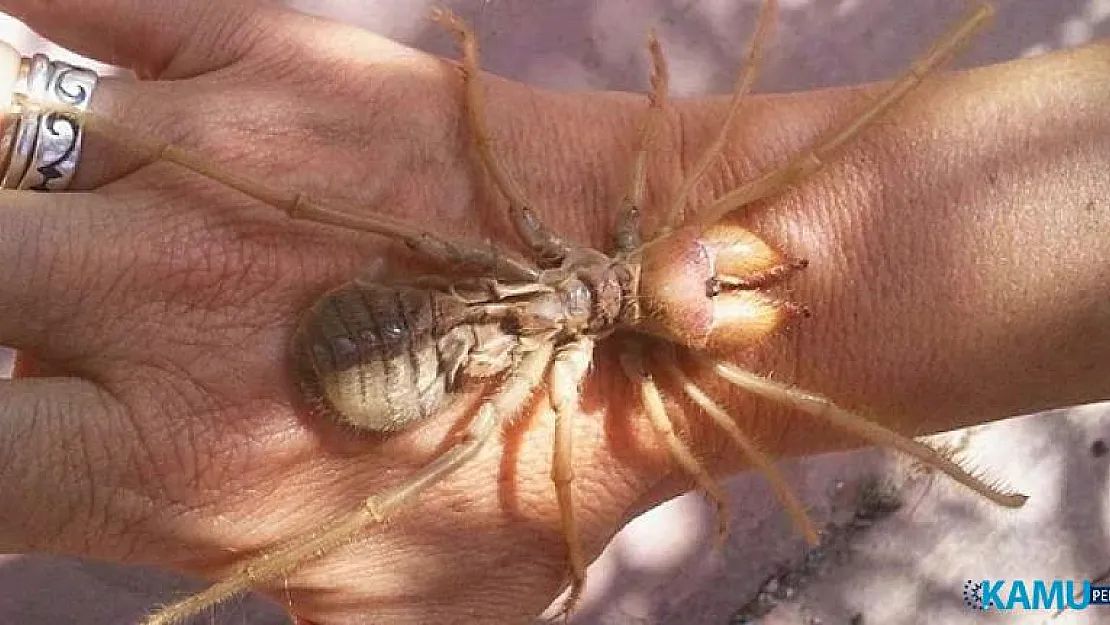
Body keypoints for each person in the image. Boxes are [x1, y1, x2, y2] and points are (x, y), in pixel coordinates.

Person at [0, 0, 1106, 624]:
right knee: (411, 383)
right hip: (420, 331)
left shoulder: (606, 282)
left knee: (443, 449)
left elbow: (656, 412)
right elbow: (468, 170)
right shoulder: (581, 252)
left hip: (432, 345)